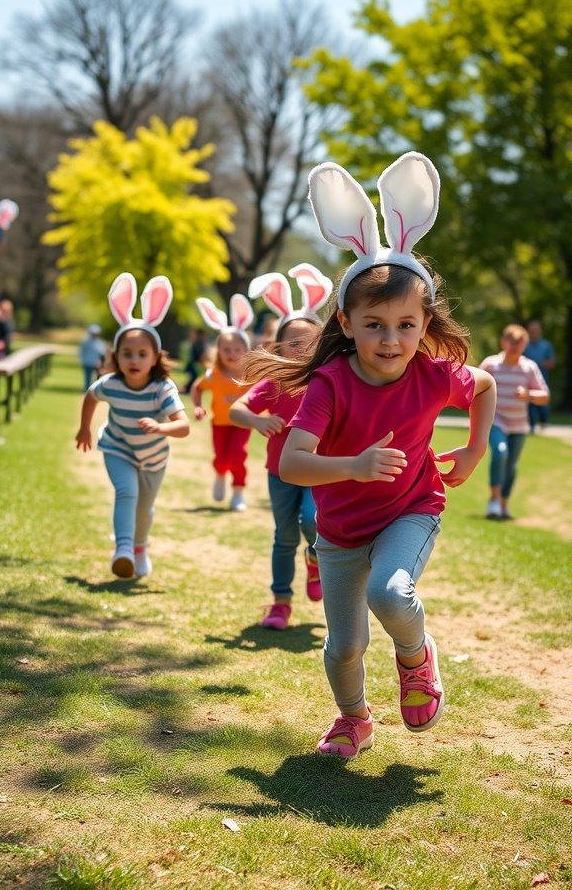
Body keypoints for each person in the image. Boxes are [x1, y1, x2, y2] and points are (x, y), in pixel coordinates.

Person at [245, 153, 496, 759]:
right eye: (376, 324)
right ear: (347, 322)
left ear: (424, 322)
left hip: (410, 509)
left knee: (392, 593)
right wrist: (353, 466)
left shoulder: (433, 375)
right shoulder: (330, 382)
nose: (392, 339)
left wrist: (473, 450)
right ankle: (353, 718)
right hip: (338, 531)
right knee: (344, 647)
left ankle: (416, 657)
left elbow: (484, 383)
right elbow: (292, 463)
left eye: (407, 325)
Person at [230, 263, 333, 629]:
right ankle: (280, 604)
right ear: (280, 347)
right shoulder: (274, 380)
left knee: (312, 521)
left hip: (318, 471)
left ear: (321, 345)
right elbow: (237, 409)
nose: (300, 349)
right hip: (279, 473)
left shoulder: (328, 381)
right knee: (283, 536)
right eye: (292, 343)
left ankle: (316, 559)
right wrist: (257, 420)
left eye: (308, 343)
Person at [76, 272, 190, 579]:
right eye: (126, 354)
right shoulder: (110, 384)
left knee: (145, 509)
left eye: (142, 354)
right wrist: (85, 428)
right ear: (116, 356)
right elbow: (91, 395)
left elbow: (183, 426)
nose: (134, 360)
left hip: (154, 457)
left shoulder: (162, 388)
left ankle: (139, 547)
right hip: (118, 447)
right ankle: (122, 549)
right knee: (126, 493)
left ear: (155, 357)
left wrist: (159, 427)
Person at [191, 293, 255, 512]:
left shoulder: (250, 375)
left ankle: (238, 492)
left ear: (246, 351)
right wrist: (198, 405)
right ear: (218, 351)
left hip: (242, 423)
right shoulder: (214, 374)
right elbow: (196, 388)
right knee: (221, 458)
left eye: (237, 349)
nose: (232, 354)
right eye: (226, 349)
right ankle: (220, 474)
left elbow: (264, 393)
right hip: (219, 422)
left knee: (238, 454)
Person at [480, 323, 549, 520]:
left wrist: (528, 394)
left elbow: (544, 395)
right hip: (496, 421)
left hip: (519, 424)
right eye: (511, 342)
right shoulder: (491, 365)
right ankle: (493, 500)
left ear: (524, 346)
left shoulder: (529, 368)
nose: (515, 347)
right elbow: (475, 388)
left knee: (511, 466)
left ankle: (503, 504)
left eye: (519, 343)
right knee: (500, 453)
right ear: (503, 342)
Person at [522, 319, 555, 431]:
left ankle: (543, 421)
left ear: (540, 331)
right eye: (532, 330)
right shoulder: (525, 345)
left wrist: (542, 364)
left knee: (542, 403)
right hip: (527, 379)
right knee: (529, 402)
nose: (534, 332)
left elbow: (552, 361)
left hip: (542, 378)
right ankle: (531, 426)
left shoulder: (546, 345)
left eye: (536, 330)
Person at [181, 327, 209, 394]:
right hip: (195, 364)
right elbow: (200, 355)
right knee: (194, 378)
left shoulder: (196, 343)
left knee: (194, 378)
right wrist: (203, 364)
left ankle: (186, 389)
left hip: (194, 363)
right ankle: (186, 389)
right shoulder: (199, 344)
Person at [79, 323, 106, 391]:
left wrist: (100, 362)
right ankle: (87, 390)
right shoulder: (86, 342)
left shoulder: (99, 343)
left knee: (98, 377)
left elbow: (102, 353)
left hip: (96, 363)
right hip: (87, 362)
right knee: (88, 377)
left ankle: (97, 390)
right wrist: (82, 360)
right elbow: (82, 352)